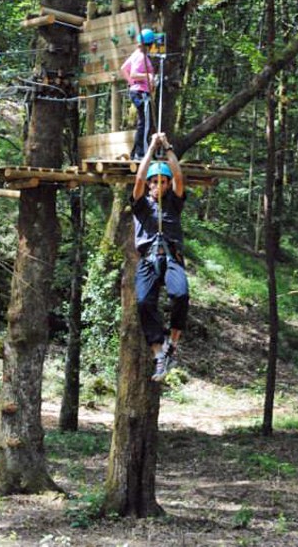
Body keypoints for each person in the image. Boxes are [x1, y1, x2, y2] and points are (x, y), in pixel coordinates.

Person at [131, 132, 188, 382]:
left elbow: (177, 175)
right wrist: (150, 149)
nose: (157, 186)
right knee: (144, 302)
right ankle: (158, 354)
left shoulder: (174, 204)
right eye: (154, 182)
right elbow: (139, 178)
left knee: (180, 294)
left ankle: (172, 344)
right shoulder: (141, 205)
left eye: (161, 182)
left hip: (171, 257)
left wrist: (167, 148)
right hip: (148, 260)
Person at [121, 28, 156, 160]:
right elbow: (134, 73)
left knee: (143, 122)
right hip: (141, 93)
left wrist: (132, 84)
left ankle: (136, 152)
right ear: (150, 44)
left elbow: (123, 69)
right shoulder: (142, 57)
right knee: (145, 123)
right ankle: (141, 153)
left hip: (137, 90)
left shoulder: (136, 54)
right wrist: (148, 76)